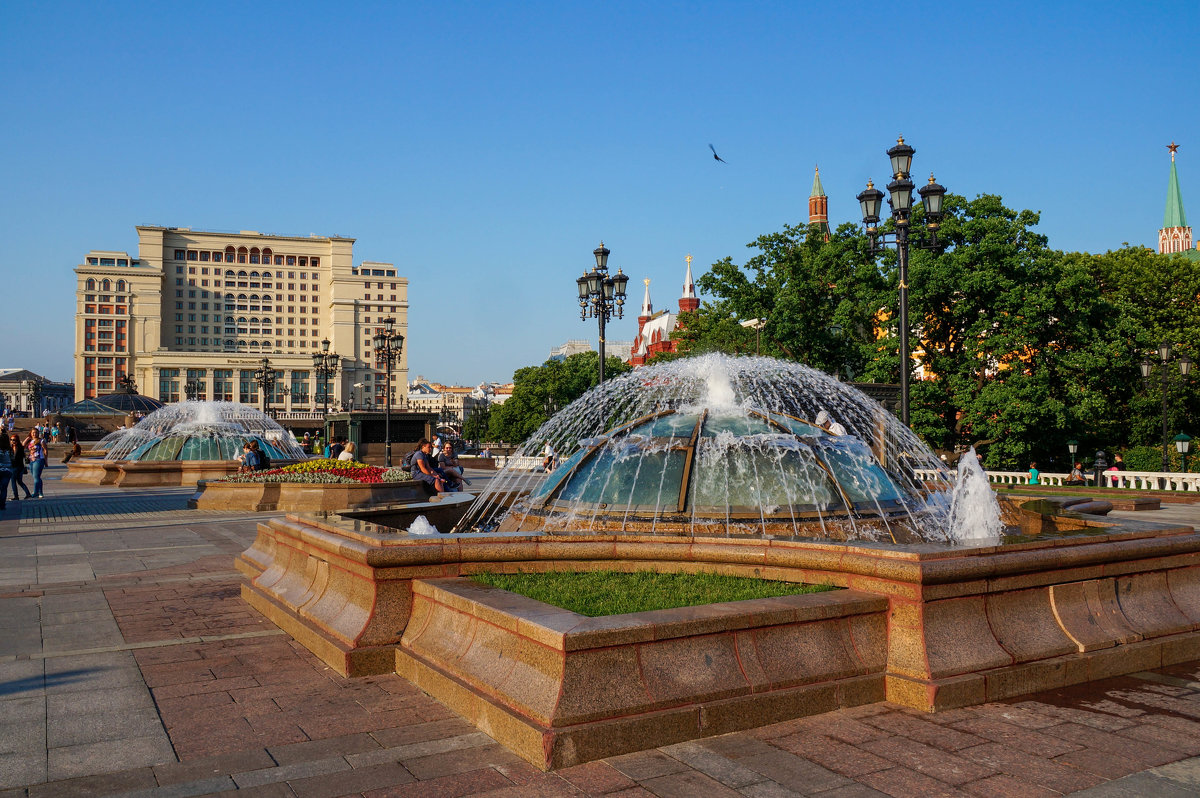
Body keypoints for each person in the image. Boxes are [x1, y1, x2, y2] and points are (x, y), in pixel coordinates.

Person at [24, 429, 46, 499]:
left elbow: (45, 450)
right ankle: (41, 493)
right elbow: (22, 445)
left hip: (39, 459)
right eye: (33, 433)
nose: (34, 434)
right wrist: (27, 438)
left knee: (36, 477)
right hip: (31, 460)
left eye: (36, 433)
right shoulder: (30, 441)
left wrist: (46, 460)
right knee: (36, 477)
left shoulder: (41, 441)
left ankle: (35, 492)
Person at [10, 433, 30, 500]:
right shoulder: (11, 448)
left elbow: (15, 458)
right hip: (16, 466)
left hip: (17, 467)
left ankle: (16, 496)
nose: (13, 441)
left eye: (14, 440)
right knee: (19, 481)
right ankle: (28, 493)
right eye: (11, 440)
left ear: (17, 440)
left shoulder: (20, 447)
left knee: (13, 481)